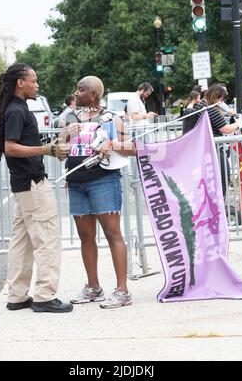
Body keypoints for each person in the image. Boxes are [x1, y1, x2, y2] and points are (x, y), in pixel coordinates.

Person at [0, 63, 73, 313]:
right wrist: (46, 150)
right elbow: (11, 147)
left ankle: (17, 295)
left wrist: (57, 140)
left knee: (22, 242)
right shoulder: (16, 110)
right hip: (32, 183)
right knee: (47, 239)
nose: (37, 85)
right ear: (20, 82)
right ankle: (44, 295)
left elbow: (23, 143)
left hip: (22, 185)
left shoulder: (14, 108)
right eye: (34, 80)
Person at [62, 75, 135, 309]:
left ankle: (122, 291)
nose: (76, 93)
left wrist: (112, 145)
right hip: (76, 183)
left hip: (103, 181)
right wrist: (63, 137)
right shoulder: (70, 118)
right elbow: (61, 150)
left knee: (113, 234)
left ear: (93, 94)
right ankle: (93, 287)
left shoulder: (111, 119)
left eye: (80, 89)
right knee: (86, 238)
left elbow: (131, 148)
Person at [196, 84, 240, 198]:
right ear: (216, 97)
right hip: (214, 148)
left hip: (205, 148)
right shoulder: (210, 109)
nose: (222, 102)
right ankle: (221, 205)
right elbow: (225, 128)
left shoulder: (200, 105)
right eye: (221, 99)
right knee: (223, 176)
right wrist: (239, 123)